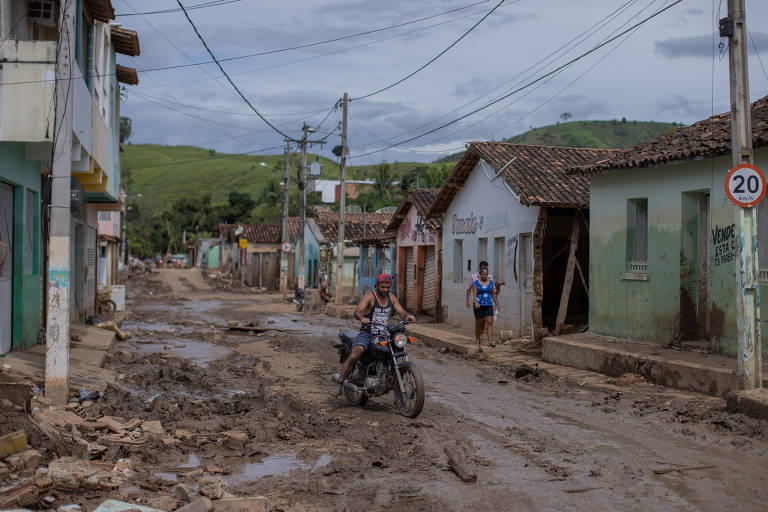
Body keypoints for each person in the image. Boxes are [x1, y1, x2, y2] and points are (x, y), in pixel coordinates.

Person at [331, 273, 415, 396]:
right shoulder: (369, 297)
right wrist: (362, 318)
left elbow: (401, 311)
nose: (385, 290)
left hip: (383, 334)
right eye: (382, 287)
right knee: (355, 354)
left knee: (394, 351)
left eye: (388, 287)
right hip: (367, 333)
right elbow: (357, 311)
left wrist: (407, 316)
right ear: (377, 285)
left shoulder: (392, 298)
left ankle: (388, 380)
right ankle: (339, 383)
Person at [472, 267, 499, 351]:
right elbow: (474, 294)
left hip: (489, 305)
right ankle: (478, 339)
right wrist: (476, 302)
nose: (485, 275)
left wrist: (497, 304)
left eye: (487, 274)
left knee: (489, 322)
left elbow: (493, 294)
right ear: (480, 274)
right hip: (479, 306)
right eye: (484, 274)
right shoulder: (476, 283)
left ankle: (490, 341)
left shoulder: (491, 283)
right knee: (479, 323)